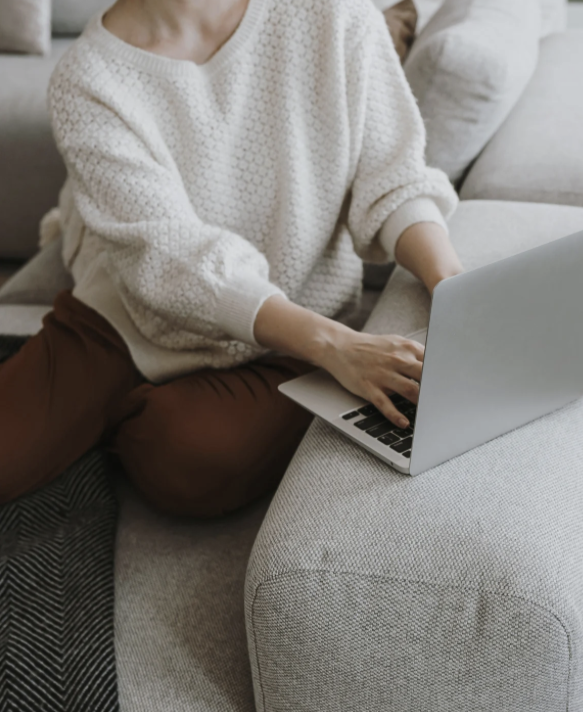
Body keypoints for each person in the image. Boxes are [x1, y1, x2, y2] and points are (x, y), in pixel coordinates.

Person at [0, 0, 463, 516]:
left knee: (185, 460)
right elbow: (170, 257)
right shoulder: (87, 77)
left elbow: (395, 180)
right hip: (126, 319)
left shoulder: (337, 14)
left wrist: (450, 283)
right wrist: (335, 347)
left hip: (291, 329)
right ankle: (108, 405)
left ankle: (116, 418)